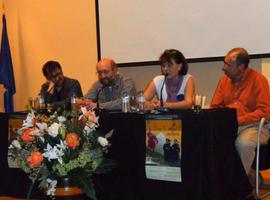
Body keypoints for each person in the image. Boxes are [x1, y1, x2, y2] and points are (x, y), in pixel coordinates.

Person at [211, 47, 270, 176]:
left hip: (255, 126)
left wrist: (238, 120)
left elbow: (265, 111)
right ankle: (222, 180)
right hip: (230, 125)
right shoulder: (223, 81)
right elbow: (215, 108)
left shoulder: (258, 80)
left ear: (241, 67)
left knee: (243, 143)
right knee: (210, 140)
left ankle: (239, 184)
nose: (223, 68)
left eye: (228, 64)